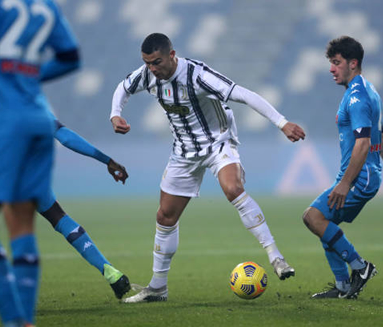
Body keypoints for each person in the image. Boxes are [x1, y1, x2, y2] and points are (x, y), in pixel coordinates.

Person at [110, 33, 306, 303]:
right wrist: (115, 113)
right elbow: (123, 87)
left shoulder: (197, 75)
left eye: (156, 62)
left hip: (218, 144)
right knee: (165, 216)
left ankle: (276, 257)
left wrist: (282, 122)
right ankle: (157, 288)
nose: (152, 69)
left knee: (233, 188)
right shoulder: (148, 74)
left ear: (172, 55)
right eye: (147, 63)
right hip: (184, 152)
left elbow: (244, 95)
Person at [0, 1, 81, 325]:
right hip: (38, 119)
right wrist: (30, 75)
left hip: (1, 121)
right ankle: (24, 319)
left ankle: (14, 318)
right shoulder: (44, 4)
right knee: (21, 225)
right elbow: (70, 58)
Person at [0, 91, 131, 300]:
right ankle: (109, 271)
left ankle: (5, 282)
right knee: (57, 216)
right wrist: (106, 160)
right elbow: (64, 135)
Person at [303, 36, 383, 300]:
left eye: (336, 62)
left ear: (353, 63)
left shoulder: (357, 97)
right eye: (331, 63)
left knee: (313, 217)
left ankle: (360, 267)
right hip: (364, 175)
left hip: (359, 177)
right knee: (324, 222)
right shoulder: (368, 90)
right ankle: (343, 287)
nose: (332, 68)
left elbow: (363, 144)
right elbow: (382, 133)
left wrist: (345, 183)